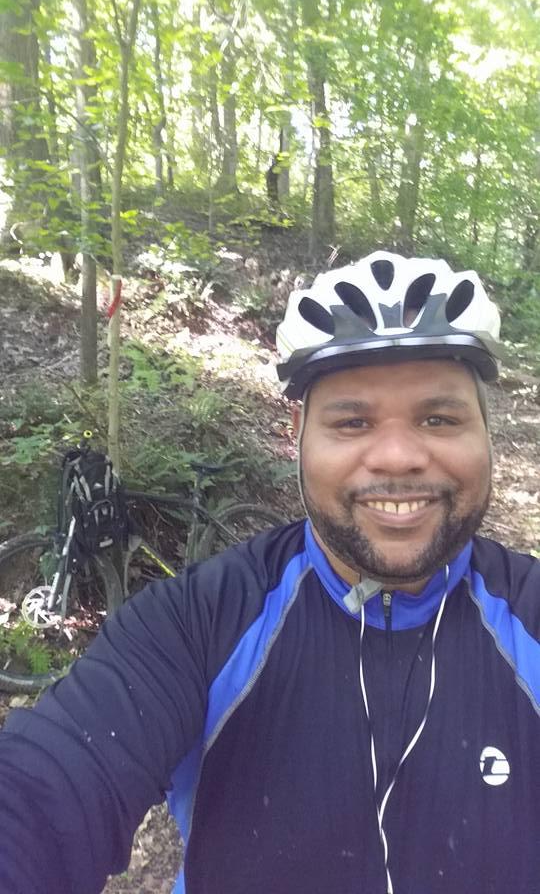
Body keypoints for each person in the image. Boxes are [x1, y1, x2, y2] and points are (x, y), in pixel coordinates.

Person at [0, 251, 539, 894]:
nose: (398, 455)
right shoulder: (198, 622)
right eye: (353, 421)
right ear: (298, 433)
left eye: (439, 418)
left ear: (486, 434)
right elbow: (41, 792)